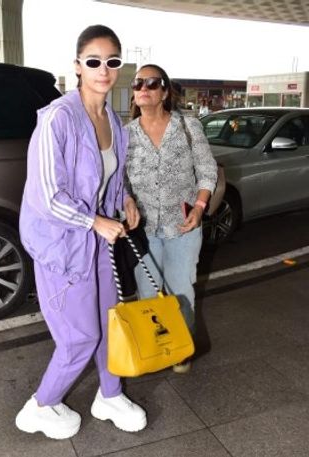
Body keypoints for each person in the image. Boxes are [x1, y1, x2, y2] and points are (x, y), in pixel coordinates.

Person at [15, 24, 147, 440]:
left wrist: (125, 199)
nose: (103, 70)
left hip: (99, 243)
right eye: (93, 61)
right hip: (62, 245)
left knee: (110, 323)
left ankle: (110, 394)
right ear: (77, 66)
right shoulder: (58, 118)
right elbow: (46, 196)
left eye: (112, 61)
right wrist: (94, 221)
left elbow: (110, 177)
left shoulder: (113, 120)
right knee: (80, 337)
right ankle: (41, 405)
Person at [124, 64, 217, 374]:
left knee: (181, 291)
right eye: (138, 83)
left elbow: (207, 170)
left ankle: (181, 349)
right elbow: (118, 180)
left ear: (164, 92)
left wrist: (200, 207)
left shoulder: (188, 127)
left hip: (183, 227)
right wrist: (125, 200)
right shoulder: (126, 135)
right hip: (143, 229)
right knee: (147, 294)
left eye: (152, 83)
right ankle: (154, 346)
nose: (144, 88)